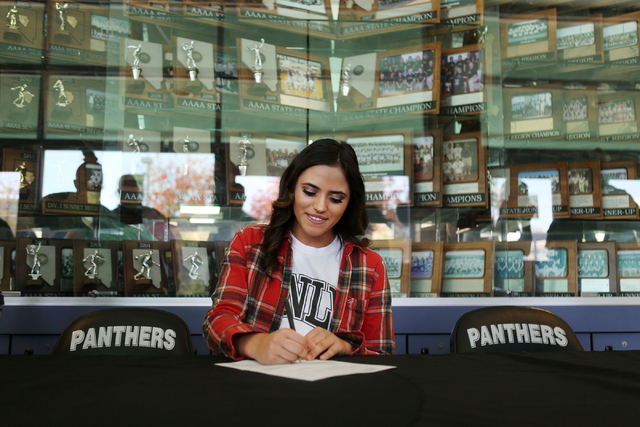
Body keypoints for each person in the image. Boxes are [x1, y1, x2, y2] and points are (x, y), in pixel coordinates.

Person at [203, 139, 395, 364]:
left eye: (335, 199)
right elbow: (216, 321)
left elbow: (383, 354)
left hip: (333, 392)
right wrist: (256, 344)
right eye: (309, 192)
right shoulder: (250, 243)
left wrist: (344, 346)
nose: (321, 206)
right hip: (258, 389)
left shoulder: (370, 266)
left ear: (350, 202)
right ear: (292, 187)